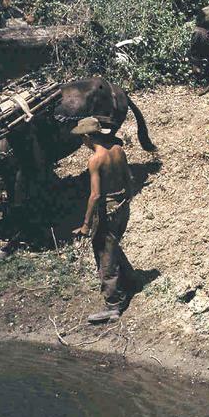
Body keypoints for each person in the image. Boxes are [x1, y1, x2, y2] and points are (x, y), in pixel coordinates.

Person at [72, 116, 135, 325]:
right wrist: (126, 200)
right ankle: (130, 280)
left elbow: (95, 196)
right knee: (113, 242)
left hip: (107, 209)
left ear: (88, 137)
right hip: (122, 205)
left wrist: (86, 224)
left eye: (83, 138)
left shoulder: (95, 160)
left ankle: (113, 304)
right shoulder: (118, 149)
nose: (83, 143)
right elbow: (129, 179)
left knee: (104, 252)